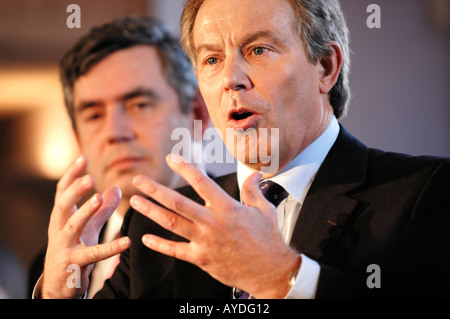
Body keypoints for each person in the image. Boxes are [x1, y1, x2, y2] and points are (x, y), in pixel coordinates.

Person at [43, 0, 450, 299]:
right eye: (212, 59)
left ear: (325, 67)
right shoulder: (160, 221)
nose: (231, 79)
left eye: (258, 50)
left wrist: (284, 277)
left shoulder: (426, 194)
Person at [31, 16, 209, 298]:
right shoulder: (50, 268)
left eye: (140, 104)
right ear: (78, 139)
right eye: (94, 115)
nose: (115, 132)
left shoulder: (250, 236)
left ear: (198, 114)